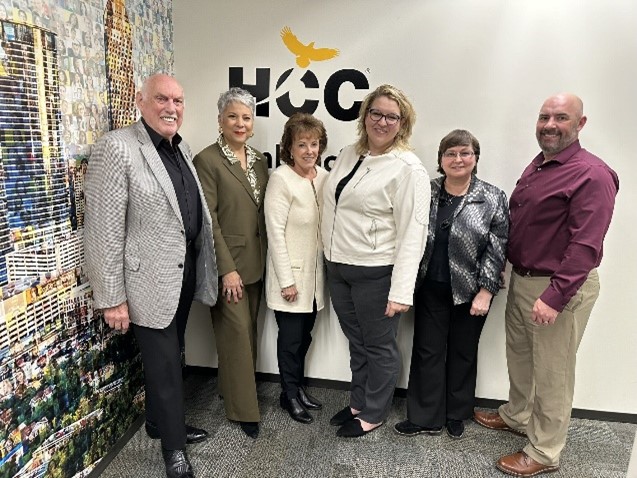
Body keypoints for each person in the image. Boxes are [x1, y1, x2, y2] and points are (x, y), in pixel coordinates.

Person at [473, 93, 619, 477]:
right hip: (523, 280)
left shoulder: (593, 174)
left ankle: (543, 450)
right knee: (520, 357)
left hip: (559, 287)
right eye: (544, 117)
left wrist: (555, 297)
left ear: (580, 124)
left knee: (554, 373)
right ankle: (518, 415)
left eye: (561, 117)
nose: (550, 125)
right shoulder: (540, 164)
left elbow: (586, 245)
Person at [84, 74, 218, 478]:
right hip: (146, 282)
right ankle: (173, 452)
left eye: (178, 100)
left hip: (182, 274)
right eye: (162, 99)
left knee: (172, 357)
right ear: (141, 102)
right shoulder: (117, 147)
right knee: (165, 366)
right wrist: (112, 298)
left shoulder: (180, 147)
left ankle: (161, 423)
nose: (171, 108)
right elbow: (102, 228)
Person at [322, 84, 430, 438]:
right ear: (365, 115)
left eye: (391, 117)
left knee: (379, 347)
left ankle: (374, 412)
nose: (382, 122)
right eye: (376, 113)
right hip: (339, 267)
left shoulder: (408, 169)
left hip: (376, 273)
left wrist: (401, 292)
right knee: (358, 343)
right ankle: (358, 401)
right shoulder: (349, 153)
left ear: (403, 123)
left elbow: (413, 233)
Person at [394, 130, 509, 440]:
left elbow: (497, 248)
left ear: (475, 158)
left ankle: (456, 413)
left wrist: (486, 292)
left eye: (465, 153)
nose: (458, 159)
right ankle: (425, 417)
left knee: (463, 352)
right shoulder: (427, 191)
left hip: (472, 291)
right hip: (430, 286)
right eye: (450, 153)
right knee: (427, 352)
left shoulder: (492, 197)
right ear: (441, 159)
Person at [193, 87, 269, 439]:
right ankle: (244, 411)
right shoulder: (207, 161)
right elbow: (209, 220)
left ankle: (231, 389)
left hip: (257, 262)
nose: (240, 123)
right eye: (233, 116)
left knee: (246, 334)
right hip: (230, 267)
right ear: (220, 120)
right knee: (236, 336)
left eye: (246, 117)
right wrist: (227, 270)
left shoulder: (259, 160)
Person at [264, 113, 328, 424]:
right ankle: (289, 395)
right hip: (289, 278)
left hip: (315, 280)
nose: (309, 151)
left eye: (314, 144)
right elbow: (275, 232)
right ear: (289, 148)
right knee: (290, 342)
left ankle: (297, 388)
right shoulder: (281, 179)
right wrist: (286, 281)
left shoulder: (323, 177)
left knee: (305, 338)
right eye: (301, 144)